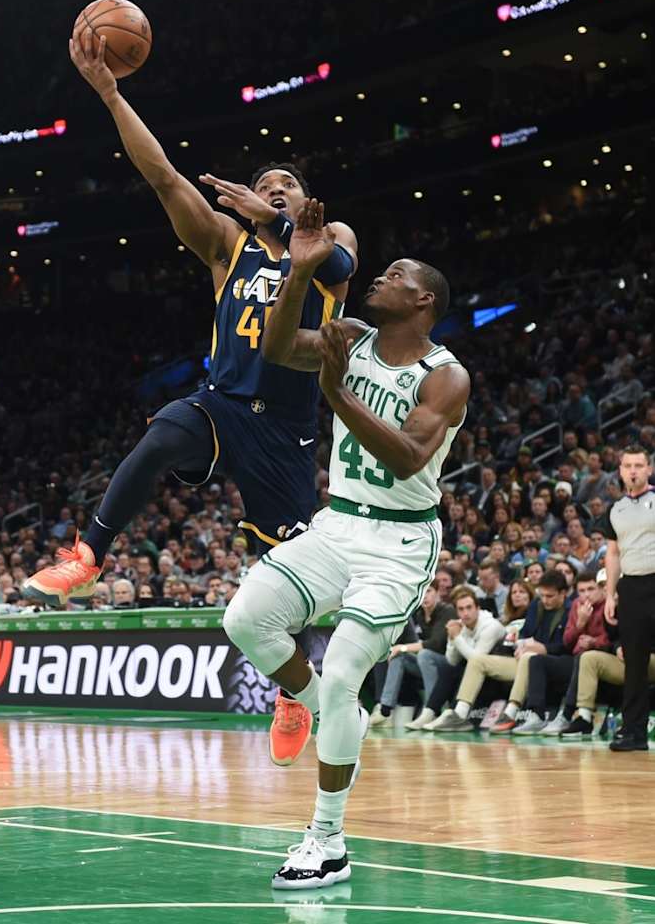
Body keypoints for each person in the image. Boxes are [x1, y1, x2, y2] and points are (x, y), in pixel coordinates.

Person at [22, 29, 358, 769]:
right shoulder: (228, 247)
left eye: (288, 184)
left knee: (284, 572)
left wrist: (278, 218)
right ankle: (89, 555)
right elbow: (164, 177)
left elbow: (339, 263)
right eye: (267, 184)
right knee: (162, 437)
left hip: (289, 426)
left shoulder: (329, 238)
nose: (276, 188)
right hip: (224, 402)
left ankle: (293, 690)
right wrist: (109, 93)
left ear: (305, 200)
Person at [223, 202, 469, 888]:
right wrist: (300, 272)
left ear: (422, 300)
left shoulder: (445, 375)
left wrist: (335, 394)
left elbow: (407, 457)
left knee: (341, 671)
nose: (378, 278)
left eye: (394, 275)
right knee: (244, 618)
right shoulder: (352, 336)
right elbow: (276, 349)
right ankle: (329, 710)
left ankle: (327, 840)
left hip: (399, 541)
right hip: (338, 523)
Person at [428, 570, 570, 733]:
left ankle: (510, 713)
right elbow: (525, 634)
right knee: (477, 660)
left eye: (550, 596)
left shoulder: (570, 610)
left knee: (530, 657)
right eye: (542, 595)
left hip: (551, 663)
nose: (545, 600)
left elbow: (567, 646)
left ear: (563, 593)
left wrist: (544, 648)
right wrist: (521, 645)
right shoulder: (536, 605)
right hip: (523, 661)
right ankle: (459, 715)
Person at [510, 572, 610, 733]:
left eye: (590, 589)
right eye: (582, 590)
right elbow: (567, 641)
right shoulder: (576, 605)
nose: (586, 595)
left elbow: (611, 638)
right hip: (573, 658)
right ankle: (536, 715)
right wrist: (580, 624)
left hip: (599, 657)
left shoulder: (607, 606)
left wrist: (593, 641)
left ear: (601, 589)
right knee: (537, 660)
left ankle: (566, 716)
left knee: (583, 658)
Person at [603, 445, 655, 751]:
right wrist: (610, 594)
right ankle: (633, 732)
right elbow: (613, 553)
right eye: (627, 466)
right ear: (620, 471)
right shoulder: (616, 509)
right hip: (631, 588)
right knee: (634, 663)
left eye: (638, 465)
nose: (633, 471)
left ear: (649, 469)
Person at [413, 586, 506, 731]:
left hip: (497, 678)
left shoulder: (490, 626)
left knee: (464, 668)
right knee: (449, 669)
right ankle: (429, 712)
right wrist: (452, 639)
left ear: (477, 608)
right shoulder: (461, 625)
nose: (465, 613)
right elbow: (452, 661)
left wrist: (457, 638)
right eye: (461, 609)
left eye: (469, 608)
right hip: (477, 675)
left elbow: (477, 661)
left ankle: (452, 714)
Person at [369, 580, 456, 727]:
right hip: (425, 664)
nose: (425, 596)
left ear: (437, 593)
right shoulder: (418, 614)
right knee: (398, 657)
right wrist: (400, 650)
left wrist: (403, 648)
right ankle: (385, 711)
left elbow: (436, 643)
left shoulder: (447, 611)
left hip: (448, 664)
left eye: (429, 591)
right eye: (422, 592)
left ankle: (431, 710)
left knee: (424, 654)